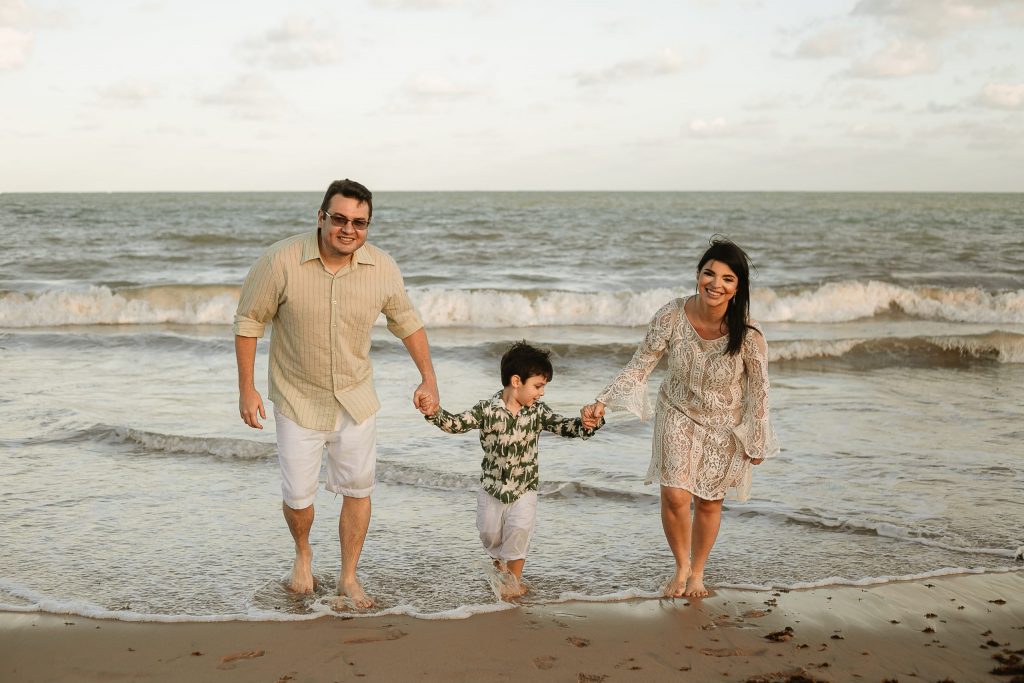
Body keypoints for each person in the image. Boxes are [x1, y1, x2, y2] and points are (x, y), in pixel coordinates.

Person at [234, 178, 438, 609]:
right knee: (298, 499)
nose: (349, 230)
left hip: (355, 397)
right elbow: (249, 322)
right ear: (321, 217)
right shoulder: (280, 261)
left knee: (359, 489)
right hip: (297, 397)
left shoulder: (382, 267)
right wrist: (247, 389)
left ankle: (348, 576)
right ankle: (303, 554)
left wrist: (428, 379)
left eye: (360, 223)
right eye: (340, 219)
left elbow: (407, 322)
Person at [581, 237, 778, 599]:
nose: (716, 284)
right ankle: (681, 567)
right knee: (674, 494)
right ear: (697, 275)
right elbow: (641, 364)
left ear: (738, 288)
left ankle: (698, 573)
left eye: (728, 279)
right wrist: (602, 401)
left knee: (708, 500)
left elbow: (760, 390)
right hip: (677, 410)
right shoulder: (671, 316)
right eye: (709, 273)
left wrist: (757, 435)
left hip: (725, 422)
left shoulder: (749, 334)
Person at [418, 341, 603, 599]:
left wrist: (588, 423)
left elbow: (566, 427)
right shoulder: (487, 410)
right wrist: (433, 411)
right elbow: (455, 424)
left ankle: (512, 584)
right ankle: (501, 570)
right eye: (538, 386)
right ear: (516, 381)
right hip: (492, 488)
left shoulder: (538, 412)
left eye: (543, 387)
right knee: (490, 534)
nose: (541, 393)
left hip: (524, 487)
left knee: (519, 531)